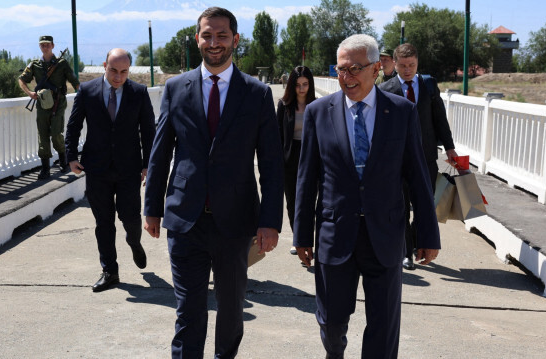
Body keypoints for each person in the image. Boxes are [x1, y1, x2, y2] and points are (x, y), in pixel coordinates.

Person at [143, 7, 284, 358]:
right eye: (207, 35)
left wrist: (269, 221)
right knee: (188, 311)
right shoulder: (175, 88)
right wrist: (152, 208)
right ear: (197, 39)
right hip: (184, 220)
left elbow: (270, 164)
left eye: (222, 35)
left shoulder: (256, 93)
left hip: (235, 224)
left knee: (232, 310)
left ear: (235, 40)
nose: (214, 42)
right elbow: (160, 154)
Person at [293, 34, 440, 359]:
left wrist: (428, 233)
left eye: (354, 69)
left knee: (384, 328)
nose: (346, 77)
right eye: (340, 69)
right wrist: (301, 234)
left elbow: (418, 177)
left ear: (376, 69)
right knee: (331, 323)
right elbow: (307, 178)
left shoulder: (402, 112)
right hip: (334, 235)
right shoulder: (320, 112)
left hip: (385, 238)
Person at [65, 48, 156, 292]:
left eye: (124, 72)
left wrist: (148, 164)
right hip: (96, 168)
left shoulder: (138, 92)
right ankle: (110, 271)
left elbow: (149, 132)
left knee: (130, 217)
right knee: (103, 222)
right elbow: (73, 125)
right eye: (113, 70)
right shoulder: (87, 91)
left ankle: (134, 242)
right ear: (104, 65)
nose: (118, 77)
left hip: (129, 169)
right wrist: (71, 156)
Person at [379, 43, 457, 270]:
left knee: (425, 204)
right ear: (394, 64)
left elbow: (439, 119)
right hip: (397, 161)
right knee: (401, 206)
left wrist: (450, 147)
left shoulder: (429, 85)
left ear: (417, 63)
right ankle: (406, 252)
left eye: (411, 65)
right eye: (402, 65)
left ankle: (413, 241)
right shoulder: (386, 88)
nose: (407, 70)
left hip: (425, 157)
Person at [19, 35, 80, 179]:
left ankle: (63, 161)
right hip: (42, 103)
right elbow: (22, 80)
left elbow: (75, 82)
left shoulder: (62, 63)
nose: (45, 47)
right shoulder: (35, 64)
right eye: (42, 45)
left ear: (52, 46)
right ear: (40, 47)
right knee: (43, 134)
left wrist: (85, 97)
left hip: (58, 102)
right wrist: (30, 93)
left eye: (47, 44)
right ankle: (45, 168)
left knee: (56, 133)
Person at [276, 65, 316, 256]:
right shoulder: (284, 106)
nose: (301, 89)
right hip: (289, 159)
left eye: (305, 84)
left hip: (311, 158)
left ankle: (310, 240)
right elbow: (277, 135)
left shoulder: (317, 106)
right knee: (292, 201)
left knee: (309, 201)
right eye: (298, 85)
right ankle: (297, 239)